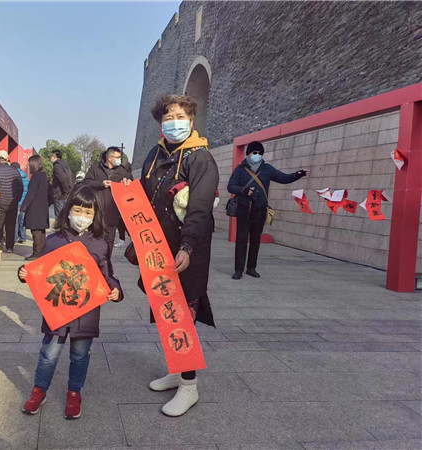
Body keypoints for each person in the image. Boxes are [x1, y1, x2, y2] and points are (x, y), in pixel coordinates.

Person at [128, 94, 219, 417]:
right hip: (157, 248)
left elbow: (200, 208)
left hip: (185, 251)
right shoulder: (155, 154)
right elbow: (144, 193)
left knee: (183, 317)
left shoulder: (200, 158)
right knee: (166, 312)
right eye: (168, 118)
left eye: (180, 117)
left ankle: (189, 387)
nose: (174, 123)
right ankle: (176, 371)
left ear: (191, 121)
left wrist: (188, 246)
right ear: (159, 123)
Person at [17, 185, 123, 419]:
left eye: (88, 213)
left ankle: (74, 392)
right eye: (77, 211)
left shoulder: (100, 244)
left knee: (80, 355)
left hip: (86, 313)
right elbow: (39, 271)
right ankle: (39, 390)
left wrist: (115, 289)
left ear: (95, 216)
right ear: (68, 212)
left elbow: (108, 276)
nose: (82, 217)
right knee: (49, 353)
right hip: (57, 312)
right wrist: (24, 273)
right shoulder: (53, 241)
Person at [228, 141, 309, 279]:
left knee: (255, 241)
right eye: (254, 153)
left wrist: (298, 174)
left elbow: (284, 178)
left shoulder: (267, 169)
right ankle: (238, 270)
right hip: (244, 209)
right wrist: (244, 190)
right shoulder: (240, 169)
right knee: (241, 241)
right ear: (248, 154)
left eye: (260, 153)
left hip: (260, 210)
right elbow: (231, 186)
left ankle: (251, 268)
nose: (257, 155)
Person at [83, 147, 128, 264]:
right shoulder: (95, 168)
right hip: (96, 210)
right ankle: (93, 262)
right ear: (109, 158)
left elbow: (129, 181)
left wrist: (127, 181)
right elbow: (86, 182)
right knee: (94, 237)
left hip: (113, 211)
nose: (119, 160)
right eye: (117, 158)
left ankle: (105, 263)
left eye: (120, 158)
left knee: (109, 240)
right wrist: (100, 184)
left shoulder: (122, 171)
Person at [0, 150, 23, 253]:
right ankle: (10, 247)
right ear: (7, 158)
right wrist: (17, 199)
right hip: (12, 202)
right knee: (11, 225)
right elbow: (20, 187)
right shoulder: (14, 171)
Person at [20, 155, 49, 261]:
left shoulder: (35, 176)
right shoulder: (43, 175)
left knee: (36, 231)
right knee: (41, 231)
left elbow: (31, 193)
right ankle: (41, 250)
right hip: (42, 206)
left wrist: (24, 206)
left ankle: (37, 252)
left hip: (35, 207)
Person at [114, 159, 133, 248]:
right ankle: (127, 238)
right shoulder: (127, 175)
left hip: (124, 203)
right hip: (123, 203)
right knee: (122, 222)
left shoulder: (127, 176)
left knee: (124, 223)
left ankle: (128, 238)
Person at [50, 149, 74, 218]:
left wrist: (65, 190)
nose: (51, 158)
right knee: (65, 216)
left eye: (52, 156)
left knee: (59, 218)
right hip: (65, 195)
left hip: (59, 194)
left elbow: (62, 178)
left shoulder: (57, 166)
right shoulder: (65, 165)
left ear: (55, 157)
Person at [11, 162, 29, 244]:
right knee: (22, 221)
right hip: (24, 203)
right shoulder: (26, 177)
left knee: (15, 221)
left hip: (16, 201)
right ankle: (23, 237)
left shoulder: (14, 176)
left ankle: (15, 238)